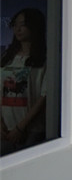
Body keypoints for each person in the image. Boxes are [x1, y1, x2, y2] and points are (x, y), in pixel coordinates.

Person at [1, 8, 47, 155]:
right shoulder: (6, 57)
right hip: (5, 128)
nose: (18, 29)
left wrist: (21, 127)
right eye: (15, 25)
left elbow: (44, 96)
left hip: (32, 129)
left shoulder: (44, 58)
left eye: (23, 24)